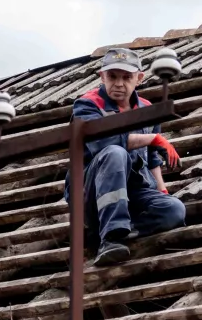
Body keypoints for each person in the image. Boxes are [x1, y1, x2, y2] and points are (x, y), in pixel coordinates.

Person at [71, 47, 187, 266]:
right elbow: (104, 143)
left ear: (139, 78)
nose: (119, 84)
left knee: (174, 210)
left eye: (126, 77)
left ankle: (115, 232)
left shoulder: (146, 108)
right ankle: (109, 238)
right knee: (115, 153)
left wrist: (162, 190)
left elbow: (152, 159)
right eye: (112, 76)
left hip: (133, 192)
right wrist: (152, 139)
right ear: (102, 76)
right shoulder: (87, 105)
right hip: (92, 194)